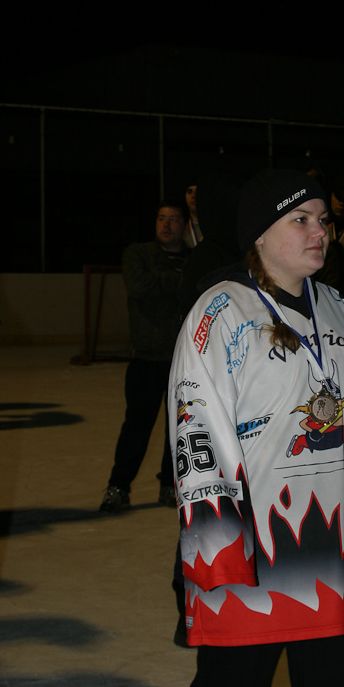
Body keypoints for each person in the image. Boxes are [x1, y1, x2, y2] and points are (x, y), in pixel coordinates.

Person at [168, 169, 344, 687]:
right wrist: (216, 542)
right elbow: (197, 430)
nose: (320, 231)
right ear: (259, 235)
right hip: (258, 548)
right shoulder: (221, 311)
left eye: (322, 219)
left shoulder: (342, 309)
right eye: (301, 219)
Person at [100, 199, 189, 512]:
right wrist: (180, 282)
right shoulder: (138, 254)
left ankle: (170, 485)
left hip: (182, 360)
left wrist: (169, 284)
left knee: (177, 429)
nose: (167, 224)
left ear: (184, 225)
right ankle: (118, 487)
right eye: (162, 218)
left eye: (174, 219)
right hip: (146, 358)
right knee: (136, 427)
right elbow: (140, 286)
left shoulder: (194, 258)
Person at [183, 184, 203, 248]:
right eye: (189, 192)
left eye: (198, 192)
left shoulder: (216, 226)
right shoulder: (180, 228)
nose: (193, 195)